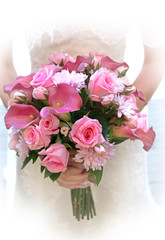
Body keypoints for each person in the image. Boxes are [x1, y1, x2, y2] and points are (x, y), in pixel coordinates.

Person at [0, 13, 165, 240]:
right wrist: (41, 136)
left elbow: (156, 60)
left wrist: (111, 121)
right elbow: (3, 63)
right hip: (40, 130)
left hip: (113, 136)